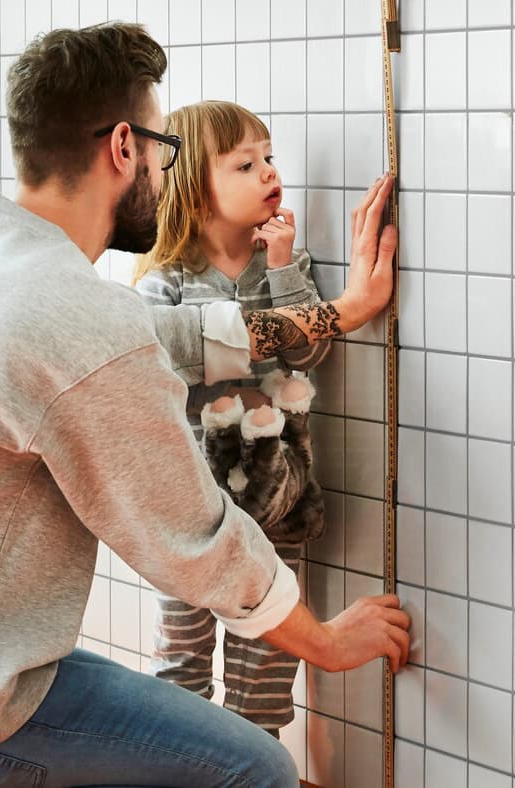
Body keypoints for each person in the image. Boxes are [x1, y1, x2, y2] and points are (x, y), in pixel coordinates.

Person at [0, 22, 407, 788]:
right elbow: (192, 536)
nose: (164, 172)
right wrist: (327, 643)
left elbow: (165, 335)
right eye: (163, 149)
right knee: (256, 769)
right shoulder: (70, 310)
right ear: (124, 147)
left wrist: (337, 313)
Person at [135, 100, 328, 736]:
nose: (269, 172)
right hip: (193, 507)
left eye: (268, 157)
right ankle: (179, 761)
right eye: (245, 164)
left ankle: (257, 758)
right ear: (194, 187)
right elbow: (153, 369)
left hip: (276, 496)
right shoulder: (166, 280)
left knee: (266, 661)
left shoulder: (283, 263)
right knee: (183, 652)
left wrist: (284, 268)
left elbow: (309, 350)